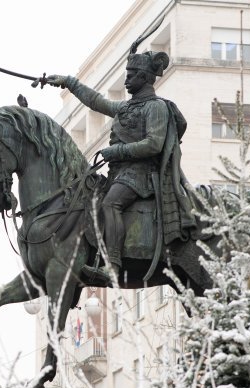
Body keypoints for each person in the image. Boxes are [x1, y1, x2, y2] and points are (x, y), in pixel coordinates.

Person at [47, 50, 197, 285]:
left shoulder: (156, 107)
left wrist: (116, 151)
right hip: (120, 174)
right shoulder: (126, 108)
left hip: (142, 175)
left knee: (110, 203)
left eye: (131, 75)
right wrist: (68, 82)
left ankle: (113, 265)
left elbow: (154, 144)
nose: (126, 80)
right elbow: (96, 102)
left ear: (145, 77)